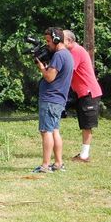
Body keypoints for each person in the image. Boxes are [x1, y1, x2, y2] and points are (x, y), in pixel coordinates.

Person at [32, 27, 74, 173]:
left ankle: (45, 165)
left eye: (49, 41)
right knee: (54, 130)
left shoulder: (59, 56)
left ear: (56, 39)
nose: (47, 44)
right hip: (57, 100)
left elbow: (50, 77)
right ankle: (58, 163)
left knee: (46, 131)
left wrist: (41, 67)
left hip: (50, 99)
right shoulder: (66, 55)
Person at [63, 30, 103, 163]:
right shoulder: (71, 51)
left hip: (88, 92)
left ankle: (84, 156)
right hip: (82, 92)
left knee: (87, 124)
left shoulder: (76, 51)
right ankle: (83, 154)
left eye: (61, 39)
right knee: (84, 123)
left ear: (70, 41)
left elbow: (68, 70)